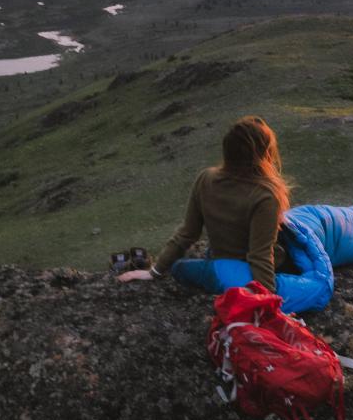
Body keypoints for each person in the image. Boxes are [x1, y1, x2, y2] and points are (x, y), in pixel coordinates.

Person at [118, 115, 291, 293]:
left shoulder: (206, 178)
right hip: (247, 271)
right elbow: (260, 255)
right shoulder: (265, 195)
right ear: (264, 154)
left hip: (218, 262)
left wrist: (155, 271)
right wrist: (269, 301)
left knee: (180, 268)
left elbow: (187, 233)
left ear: (227, 150)